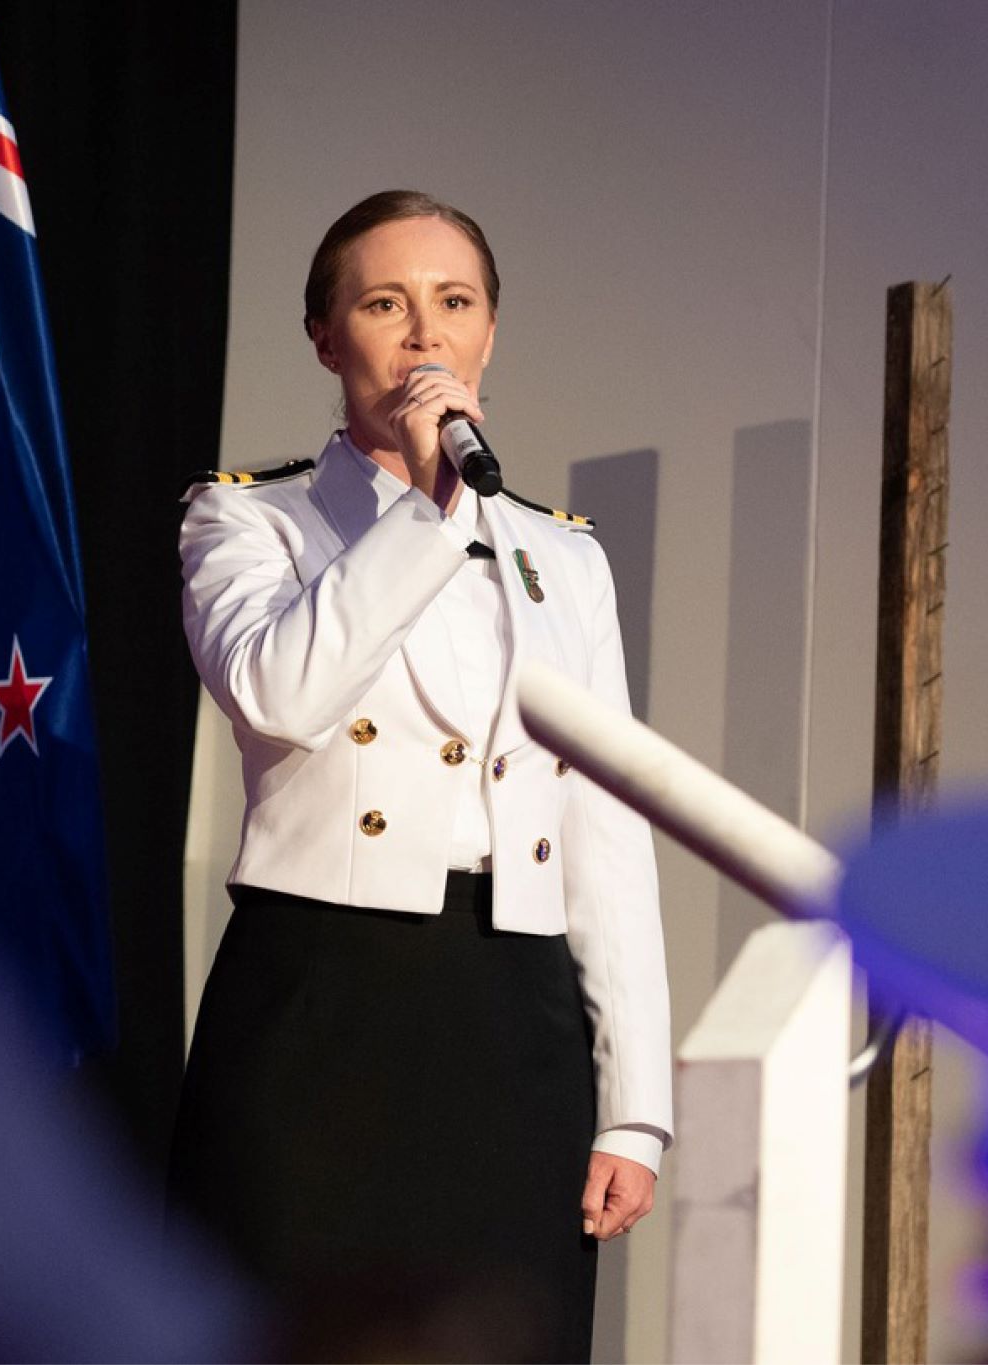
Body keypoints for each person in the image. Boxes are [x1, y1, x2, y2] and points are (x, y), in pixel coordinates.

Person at [169, 189, 673, 1362]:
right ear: (326, 337)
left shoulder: (564, 559)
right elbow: (281, 690)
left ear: (489, 332)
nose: (424, 334)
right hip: (316, 1007)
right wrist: (433, 516)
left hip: (512, 1017)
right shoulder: (250, 523)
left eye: (453, 303)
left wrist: (635, 1106)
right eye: (384, 304)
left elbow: (604, 825)